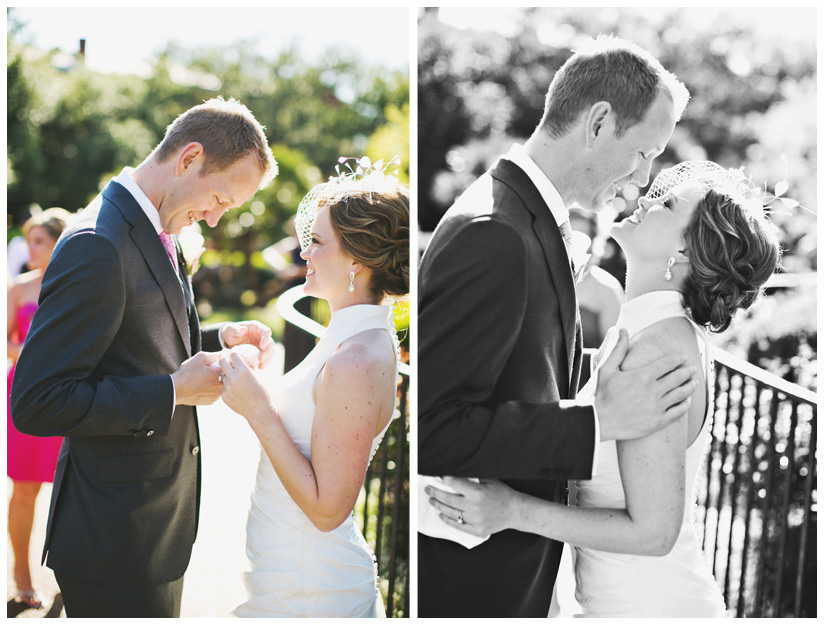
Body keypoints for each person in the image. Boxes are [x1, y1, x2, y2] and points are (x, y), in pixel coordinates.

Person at [417, 36, 695, 617]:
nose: (643, 178)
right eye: (644, 153)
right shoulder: (495, 233)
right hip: (475, 584)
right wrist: (597, 422)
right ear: (598, 123)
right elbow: (435, 429)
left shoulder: (528, 221)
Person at [427, 161, 782, 617]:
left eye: (667, 204)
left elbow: (654, 532)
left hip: (648, 608)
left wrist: (511, 510)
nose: (647, 200)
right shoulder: (647, 328)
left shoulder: (659, 350)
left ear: (687, 253)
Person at [10, 97, 278, 618]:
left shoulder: (159, 228)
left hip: (151, 530)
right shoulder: (97, 245)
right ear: (189, 158)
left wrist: (220, 337)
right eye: (220, 197)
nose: (218, 218)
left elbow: (140, 338)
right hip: (113, 539)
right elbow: (38, 401)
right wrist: (173, 391)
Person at [218, 158, 408, 617]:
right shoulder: (348, 333)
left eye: (317, 242)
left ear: (357, 261)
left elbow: (328, 510)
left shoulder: (357, 360)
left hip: (312, 591)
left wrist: (257, 409)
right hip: (288, 574)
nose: (303, 253)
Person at [7, 208, 72, 609]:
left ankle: (72, 581)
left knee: (73, 491)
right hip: (25, 393)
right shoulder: (17, 288)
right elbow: (5, 343)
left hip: (69, 394)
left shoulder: (74, 285)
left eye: (38, 241)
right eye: (28, 240)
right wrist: (35, 354)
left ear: (58, 242)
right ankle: (23, 580)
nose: (30, 248)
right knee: (25, 490)